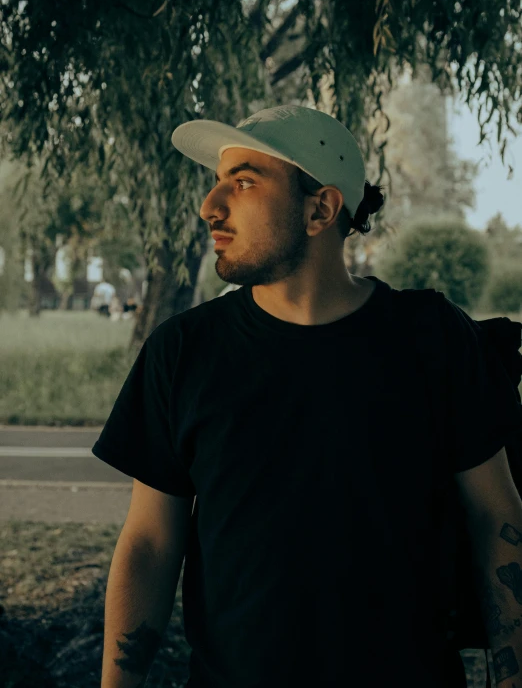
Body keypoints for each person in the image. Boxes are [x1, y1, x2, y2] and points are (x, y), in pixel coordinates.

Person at [92, 105, 522, 688]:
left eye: (243, 182)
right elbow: (149, 541)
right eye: (217, 183)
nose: (210, 206)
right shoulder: (184, 352)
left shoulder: (433, 337)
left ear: (320, 209)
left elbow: (496, 516)